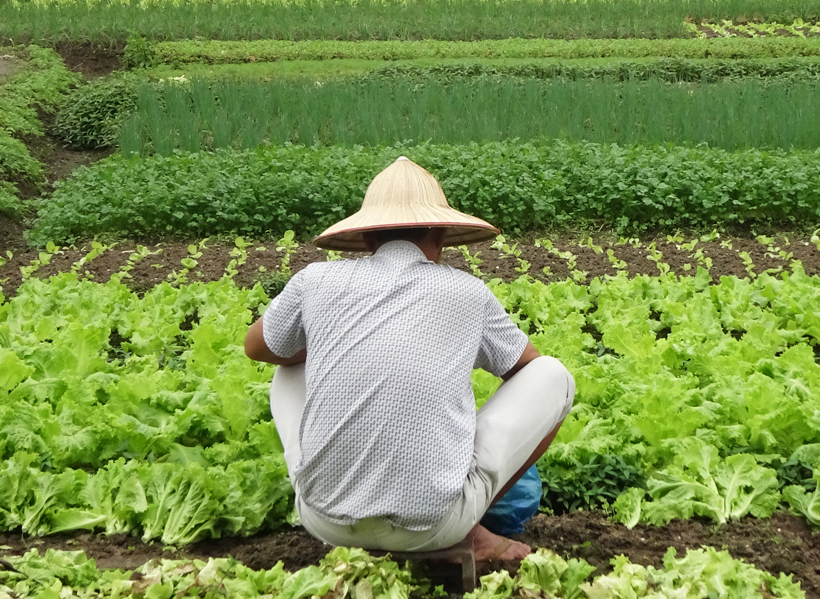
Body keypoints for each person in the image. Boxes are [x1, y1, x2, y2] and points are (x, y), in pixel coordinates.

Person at [243, 156, 575, 563]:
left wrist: (339, 340)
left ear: (366, 239)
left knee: (287, 370)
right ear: (439, 233)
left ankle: (337, 498)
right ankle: (472, 532)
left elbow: (258, 347)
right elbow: (528, 368)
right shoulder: (467, 291)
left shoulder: (314, 280)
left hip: (324, 521)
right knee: (554, 375)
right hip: (436, 527)